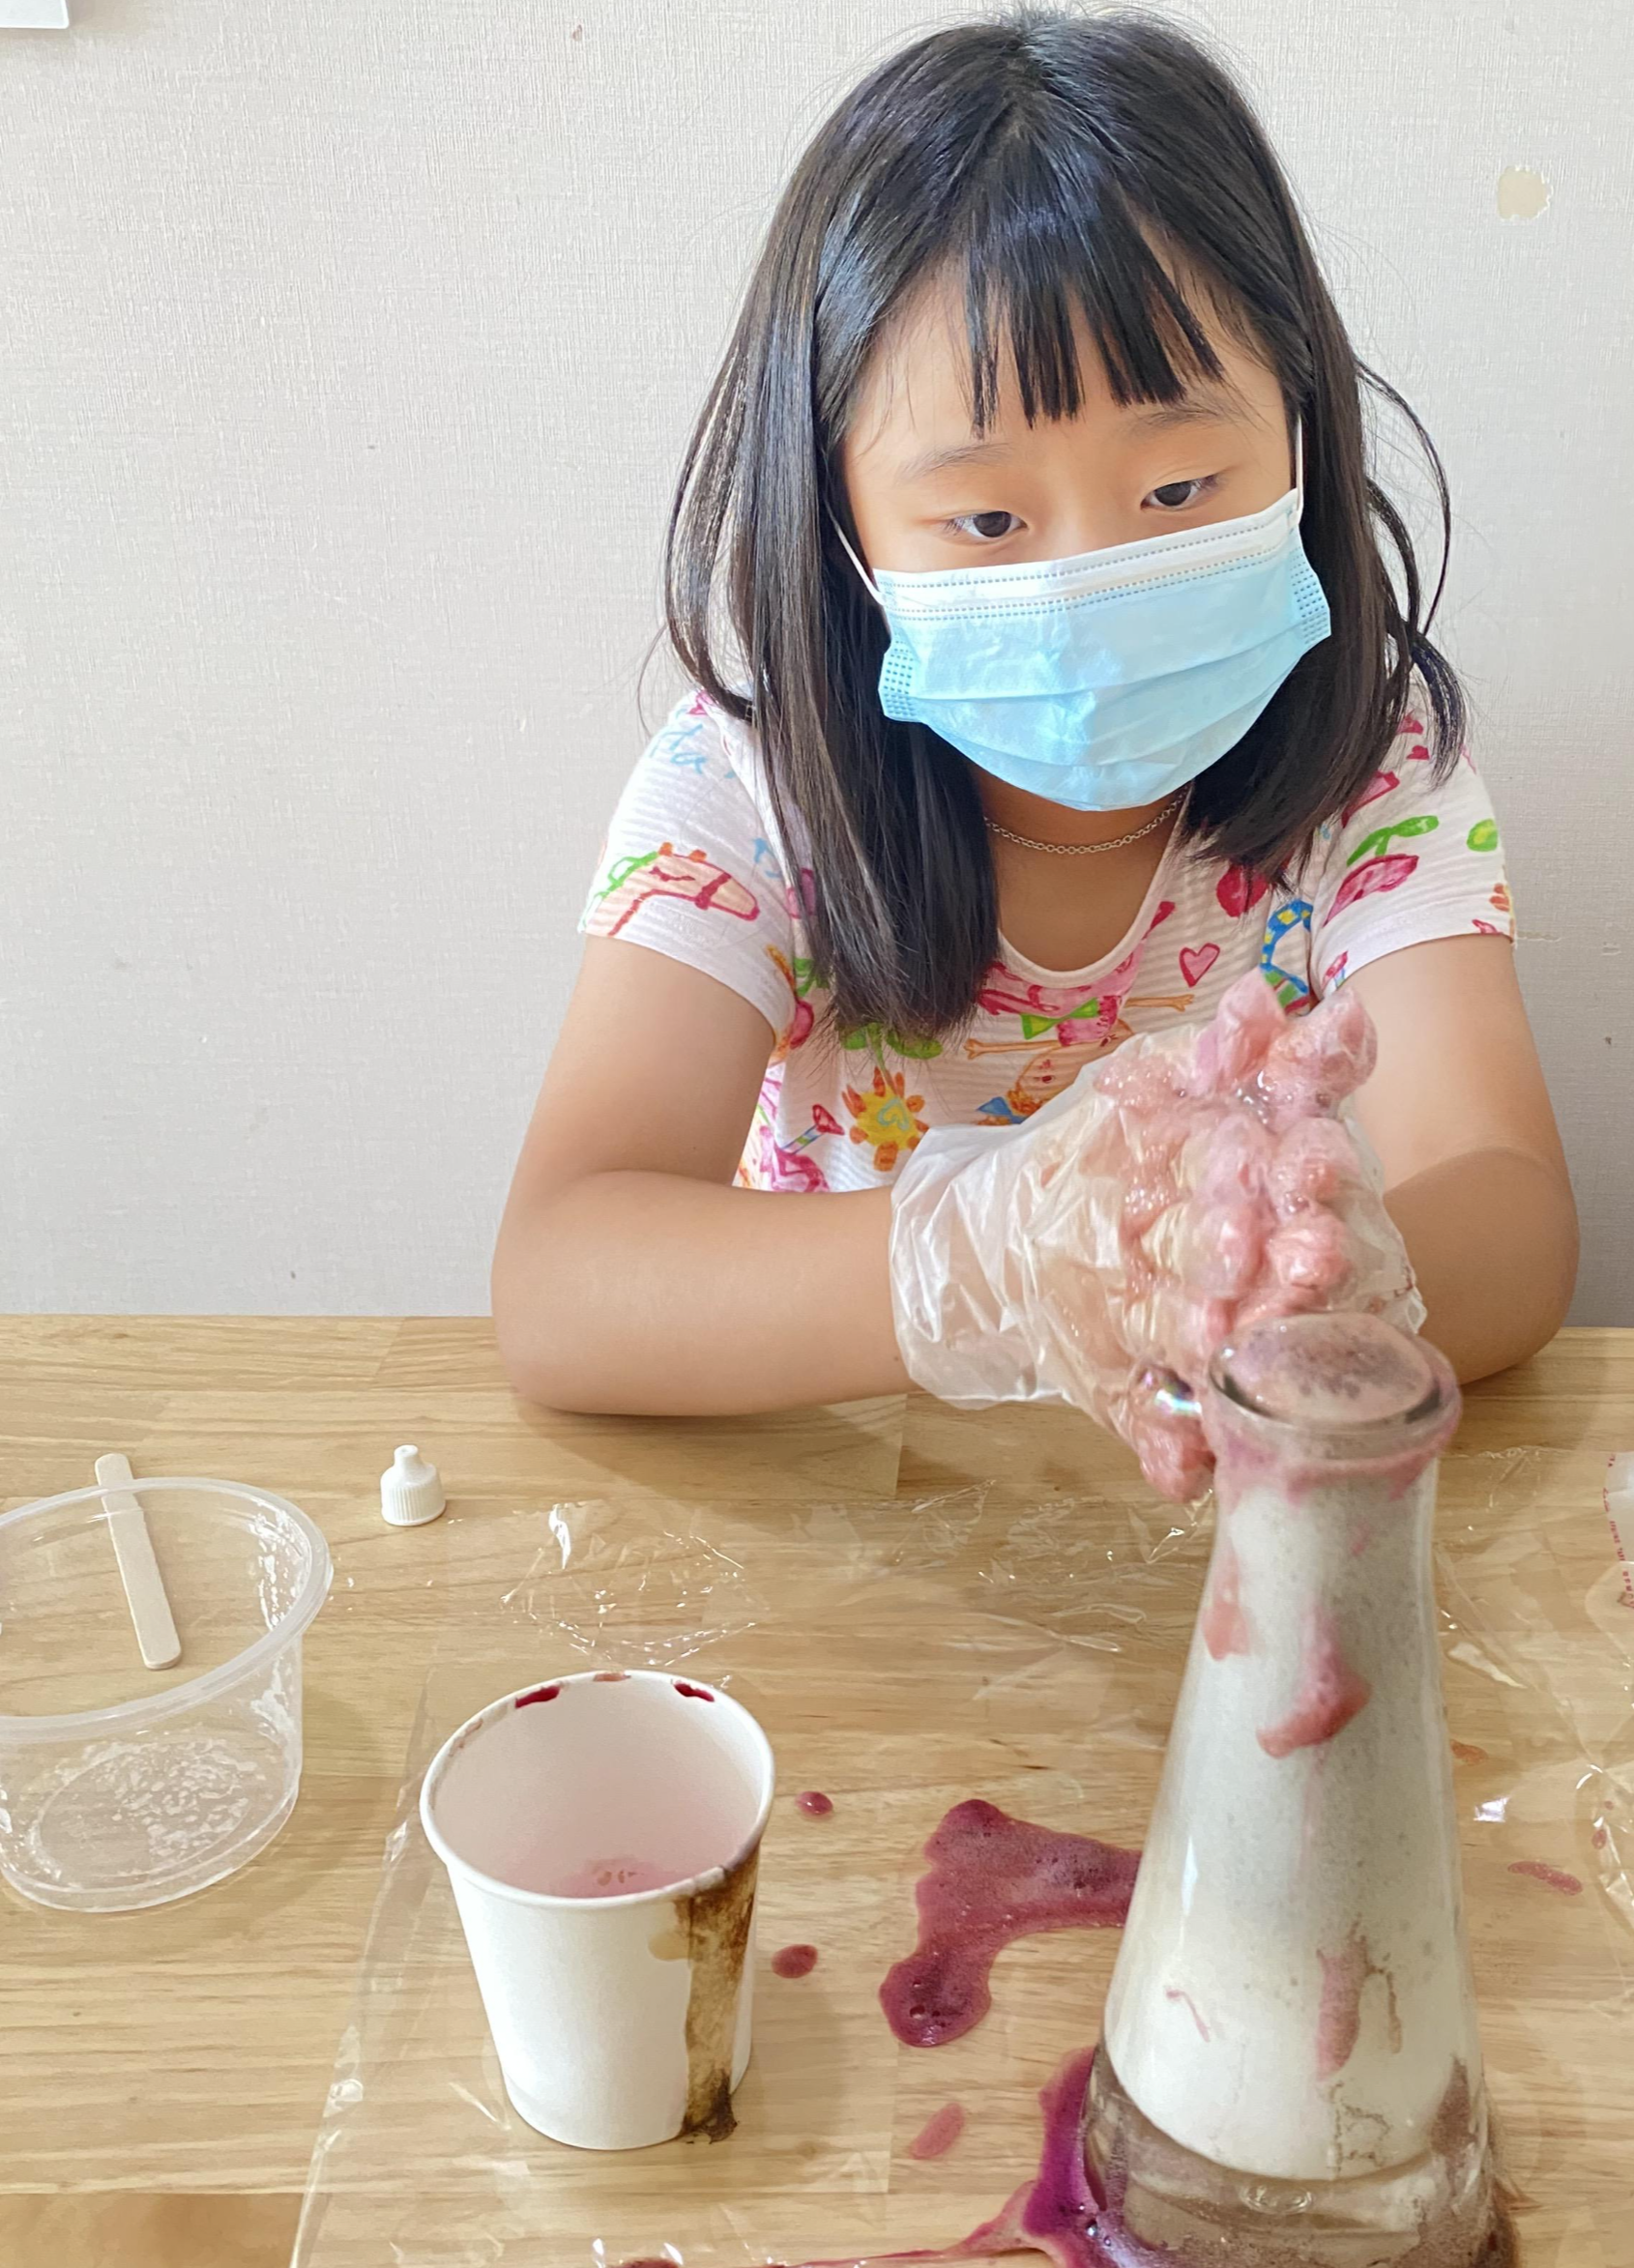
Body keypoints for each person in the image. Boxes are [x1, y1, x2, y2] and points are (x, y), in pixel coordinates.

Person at [493, 8, 1577, 1484]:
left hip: (1225, 1495)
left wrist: (1263, 1274)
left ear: (1301, 434)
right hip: (861, 1517)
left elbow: (1509, 1211)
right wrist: (992, 1260)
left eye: (1179, 488)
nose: (1087, 580)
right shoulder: (746, 797)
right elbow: (561, 1286)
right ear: (838, 521)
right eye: (988, 518)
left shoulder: (1369, 770)